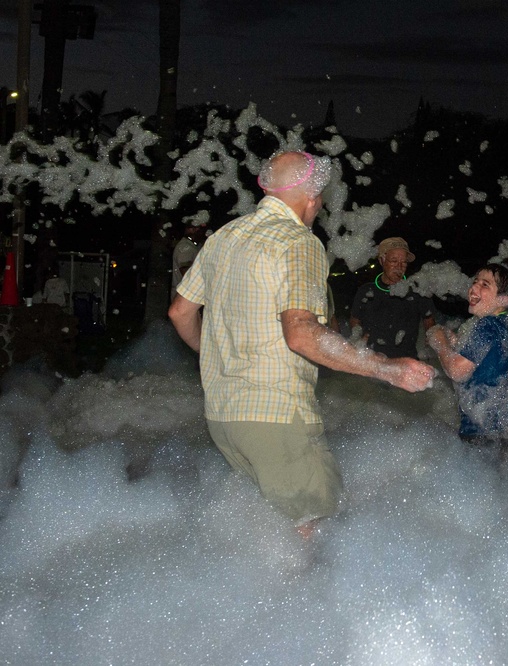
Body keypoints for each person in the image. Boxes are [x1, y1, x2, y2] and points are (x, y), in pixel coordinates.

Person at [168, 151, 436, 540]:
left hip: (224, 416)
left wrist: (212, 356)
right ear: (312, 199)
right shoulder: (299, 242)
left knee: (267, 535)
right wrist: (388, 368)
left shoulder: (223, 237)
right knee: (318, 537)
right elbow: (301, 333)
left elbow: (179, 312)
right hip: (276, 414)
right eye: (321, 197)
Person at [427, 263, 508, 461]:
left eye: (485, 285)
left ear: (503, 298)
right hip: (499, 428)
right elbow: (483, 358)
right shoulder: (504, 323)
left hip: (480, 432)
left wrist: (439, 342)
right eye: (475, 281)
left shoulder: (487, 325)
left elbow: (457, 371)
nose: (474, 287)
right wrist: (453, 341)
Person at [350, 237, 436, 358]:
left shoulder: (418, 291)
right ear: (382, 260)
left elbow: (429, 322)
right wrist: (358, 339)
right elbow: (355, 319)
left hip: (406, 362)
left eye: (404, 262)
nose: (399, 266)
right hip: (372, 362)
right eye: (394, 261)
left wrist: (432, 343)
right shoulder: (366, 291)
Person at [171, 223, 207, 301]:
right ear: (192, 229)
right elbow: (187, 274)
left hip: (190, 297)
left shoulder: (196, 246)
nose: (204, 232)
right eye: (200, 228)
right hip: (185, 298)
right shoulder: (185, 248)